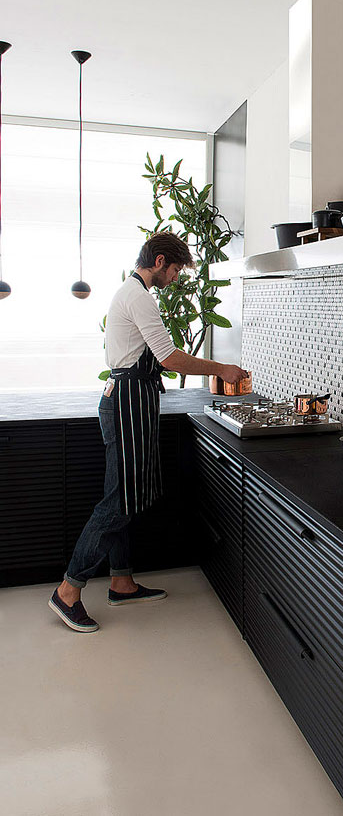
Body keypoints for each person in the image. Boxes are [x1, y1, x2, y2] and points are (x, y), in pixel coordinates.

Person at [49, 232, 248, 632]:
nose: (175, 278)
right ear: (159, 262)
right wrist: (222, 369)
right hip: (127, 402)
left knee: (125, 495)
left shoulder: (134, 292)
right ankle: (67, 591)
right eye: (174, 270)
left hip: (130, 399)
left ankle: (121, 582)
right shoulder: (138, 297)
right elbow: (169, 357)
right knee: (119, 500)